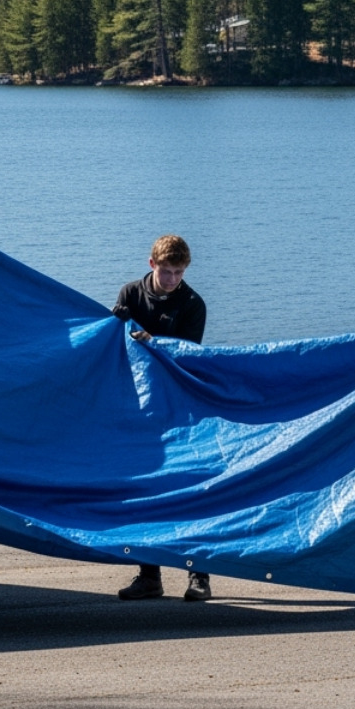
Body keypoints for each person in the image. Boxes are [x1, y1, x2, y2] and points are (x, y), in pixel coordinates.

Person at [109, 234, 210, 603]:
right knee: (143, 490)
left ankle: (199, 575)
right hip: (136, 406)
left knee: (190, 489)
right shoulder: (131, 293)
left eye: (179, 273)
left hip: (179, 407)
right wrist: (111, 325)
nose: (172, 280)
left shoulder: (192, 304)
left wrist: (152, 341)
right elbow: (110, 345)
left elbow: (186, 358)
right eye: (166, 272)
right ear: (152, 265)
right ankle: (149, 576)